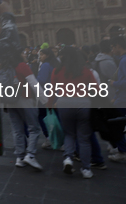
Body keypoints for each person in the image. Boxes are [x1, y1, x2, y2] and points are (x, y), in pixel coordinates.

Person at [0, 4, 43, 171]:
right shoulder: (22, 65)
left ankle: (19, 157)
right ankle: (30, 155)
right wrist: (46, 100)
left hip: (9, 101)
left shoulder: (3, 67)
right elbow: (34, 83)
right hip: (25, 99)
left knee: (17, 129)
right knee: (33, 128)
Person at [48, 46, 98, 178]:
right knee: (84, 138)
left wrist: (49, 105)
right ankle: (86, 169)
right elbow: (96, 89)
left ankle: (68, 159)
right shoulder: (85, 71)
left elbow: (52, 91)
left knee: (69, 133)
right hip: (83, 103)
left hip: (64, 103)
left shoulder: (56, 71)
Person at [108, 36, 126, 162]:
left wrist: (114, 84)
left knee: (115, 125)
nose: (112, 50)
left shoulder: (123, 61)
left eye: (113, 47)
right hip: (120, 97)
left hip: (123, 98)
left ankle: (122, 151)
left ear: (118, 46)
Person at [37, 47, 59, 149]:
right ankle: (60, 138)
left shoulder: (45, 65)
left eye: (42, 55)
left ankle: (48, 137)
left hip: (46, 94)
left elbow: (41, 80)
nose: (40, 57)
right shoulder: (56, 63)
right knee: (56, 116)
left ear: (48, 55)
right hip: (57, 93)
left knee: (42, 116)